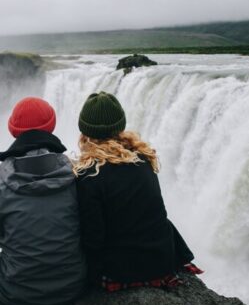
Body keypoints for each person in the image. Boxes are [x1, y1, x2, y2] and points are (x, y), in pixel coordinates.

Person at [0, 97, 87, 305]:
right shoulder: (79, 175)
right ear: (52, 126)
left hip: (15, 292)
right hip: (73, 287)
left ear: (13, 130)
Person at [73, 91, 202, 292]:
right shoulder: (143, 159)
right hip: (162, 261)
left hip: (122, 270)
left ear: (85, 133)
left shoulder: (89, 176)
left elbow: (94, 239)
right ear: (120, 127)